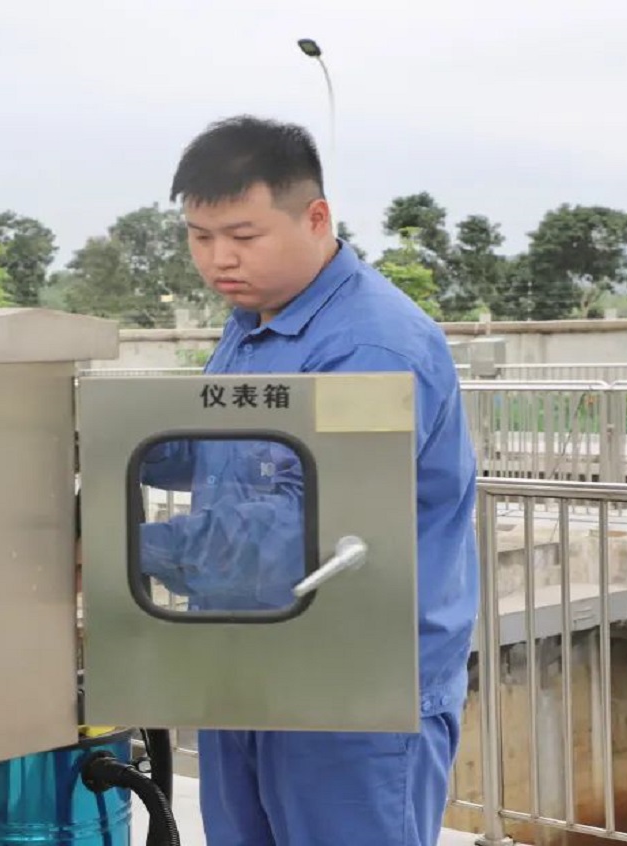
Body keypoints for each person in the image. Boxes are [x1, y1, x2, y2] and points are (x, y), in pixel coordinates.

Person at [136, 115, 480, 845]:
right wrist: (91, 446)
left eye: (243, 235)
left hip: (351, 690)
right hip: (251, 660)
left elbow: (302, 530)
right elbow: (215, 447)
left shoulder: (370, 346)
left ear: (316, 218)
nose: (218, 259)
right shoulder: (253, 323)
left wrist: (127, 549)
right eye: (200, 237)